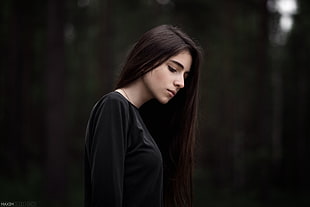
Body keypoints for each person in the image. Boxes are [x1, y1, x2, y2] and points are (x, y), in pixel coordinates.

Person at [84, 24, 202, 207]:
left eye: (185, 75)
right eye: (173, 69)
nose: (181, 83)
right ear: (148, 58)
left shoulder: (143, 120)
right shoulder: (114, 107)